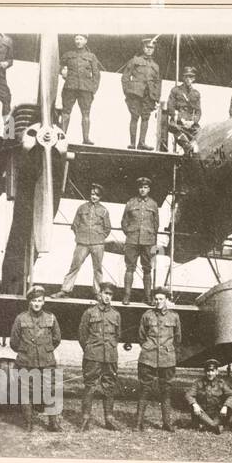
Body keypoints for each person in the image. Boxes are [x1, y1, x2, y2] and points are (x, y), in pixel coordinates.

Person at [10, 286, 63, 432]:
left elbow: (56, 339)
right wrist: (26, 351)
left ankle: (53, 423)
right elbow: (14, 342)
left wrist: (44, 350)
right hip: (26, 361)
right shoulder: (21, 318)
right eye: (34, 300)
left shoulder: (51, 318)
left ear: (44, 302)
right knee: (26, 392)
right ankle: (28, 423)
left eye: (40, 300)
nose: (37, 303)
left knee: (50, 391)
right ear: (30, 302)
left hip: (46, 361)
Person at [52, 182, 111, 298]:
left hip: (97, 243)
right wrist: (80, 236)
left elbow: (107, 228)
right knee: (74, 266)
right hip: (82, 243)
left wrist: (99, 237)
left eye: (97, 195)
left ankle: (98, 292)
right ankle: (65, 290)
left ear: (100, 197)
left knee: (97, 269)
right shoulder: (82, 208)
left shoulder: (104, 210)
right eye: (92, 194)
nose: (94, 196)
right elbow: (75, 225)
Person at [77, 280, 122, 430]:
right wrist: (90, 349)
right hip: (93, 355)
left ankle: (109, 419)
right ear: (100, 294)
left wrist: (109, 348)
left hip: (110, 356)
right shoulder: (89, 313)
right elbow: (82, 335)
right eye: (105, 293)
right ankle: (85, 419)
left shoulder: (116, 314)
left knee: (109, 386)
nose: (108, 297)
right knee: (90, 386)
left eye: (110, 294)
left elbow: (117, 335)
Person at [136, 285, 180, 431]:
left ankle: (167, 423)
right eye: (156, 299)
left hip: (167, 359)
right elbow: (141, 337)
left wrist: (167, 350)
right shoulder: (146, 315)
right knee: (144, 389)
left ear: (167, 300)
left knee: (166, 390)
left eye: (161, 299)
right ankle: (138, 422)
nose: (158, 301)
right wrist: (149, 347)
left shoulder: (174, 316)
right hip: (148, 358)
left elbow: (178, 339)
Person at [121, 176, 160, 305]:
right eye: (141, 187)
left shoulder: (153, 204)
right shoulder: (131, 203)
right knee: (129, 268)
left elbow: (156, 225)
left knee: (147, 268)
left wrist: (150, 237)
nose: (143, 190)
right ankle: (127, 296)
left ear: (149, 189)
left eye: (145, 187)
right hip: (132, 240)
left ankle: (148, 297)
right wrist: (130, 233)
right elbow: (124, 222)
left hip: (148, 241)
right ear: (138, 189)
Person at [59, 33, 102, 144]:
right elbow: (58, 67)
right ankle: (61, 137)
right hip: (70, 87)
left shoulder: (91, 56)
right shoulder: (68, 55)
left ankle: (86, 139)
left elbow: (96, 74)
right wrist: (62, 72)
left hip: (85, 89)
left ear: (85, 41)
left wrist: (93, 89)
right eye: (76, 39)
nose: (78, 41)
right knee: (66, 112)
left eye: (81, 39)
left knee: (86, 113)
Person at [120, 37, 161, 150]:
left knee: (145, 118)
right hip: (136, 93)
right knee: (134, 116)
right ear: (143, 48)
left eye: (151, 48)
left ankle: (141, 143)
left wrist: (156, 97)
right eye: (147, 47)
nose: (149, 50)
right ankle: (132, 144)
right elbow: (125, 77)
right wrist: (127, 91)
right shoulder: (135, 60)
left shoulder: (155, 66)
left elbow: (158, 82)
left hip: (149, 95)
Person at [186, 359, 232, 433]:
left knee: (229, 407)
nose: (210, 374)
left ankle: (207, 425)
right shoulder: (198, 383)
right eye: (208, 371)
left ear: (217, 372)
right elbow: (188, 395)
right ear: (205, 372)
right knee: (194, 406)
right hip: (203, 413)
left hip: (217, 414)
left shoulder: (221, 383)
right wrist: (194, 404)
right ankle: (215, 426)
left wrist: (225, 406)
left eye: (212, 371)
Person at [167, 66, 202, 154]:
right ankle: (187, 148)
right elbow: (170, 107)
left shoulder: (196, 93)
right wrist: (180, 119)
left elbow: (198, 111)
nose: (188, 79)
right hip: (178, 122)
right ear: (183, 78)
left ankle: (194, 151)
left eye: (190, 77)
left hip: (191, 123)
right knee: (177, 131)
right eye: (186, 77)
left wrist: (193, 122)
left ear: (193, 79)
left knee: (201, 135)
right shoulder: (175, 90)